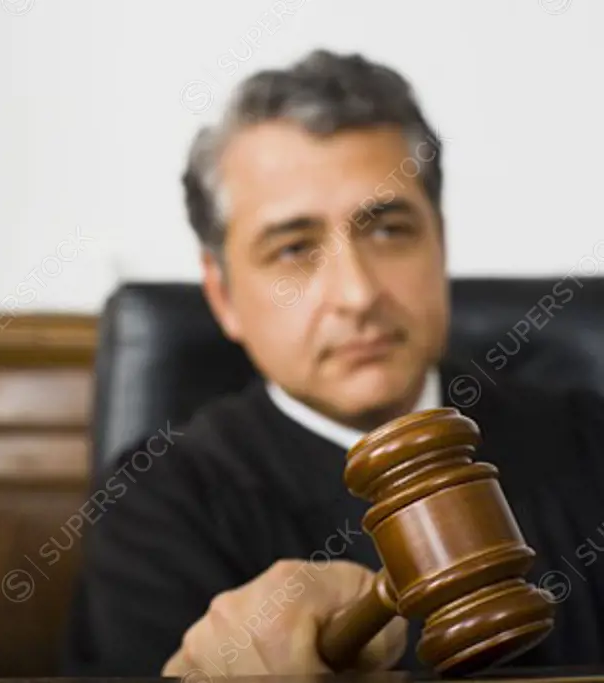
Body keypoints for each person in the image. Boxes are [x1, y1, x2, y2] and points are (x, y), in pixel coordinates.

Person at [60, 49, 604, 677]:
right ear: (223, 295)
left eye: (389, 230)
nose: (357, 294)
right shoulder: (160, 506)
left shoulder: (588, 442)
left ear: (441, 242)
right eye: (293, 247)